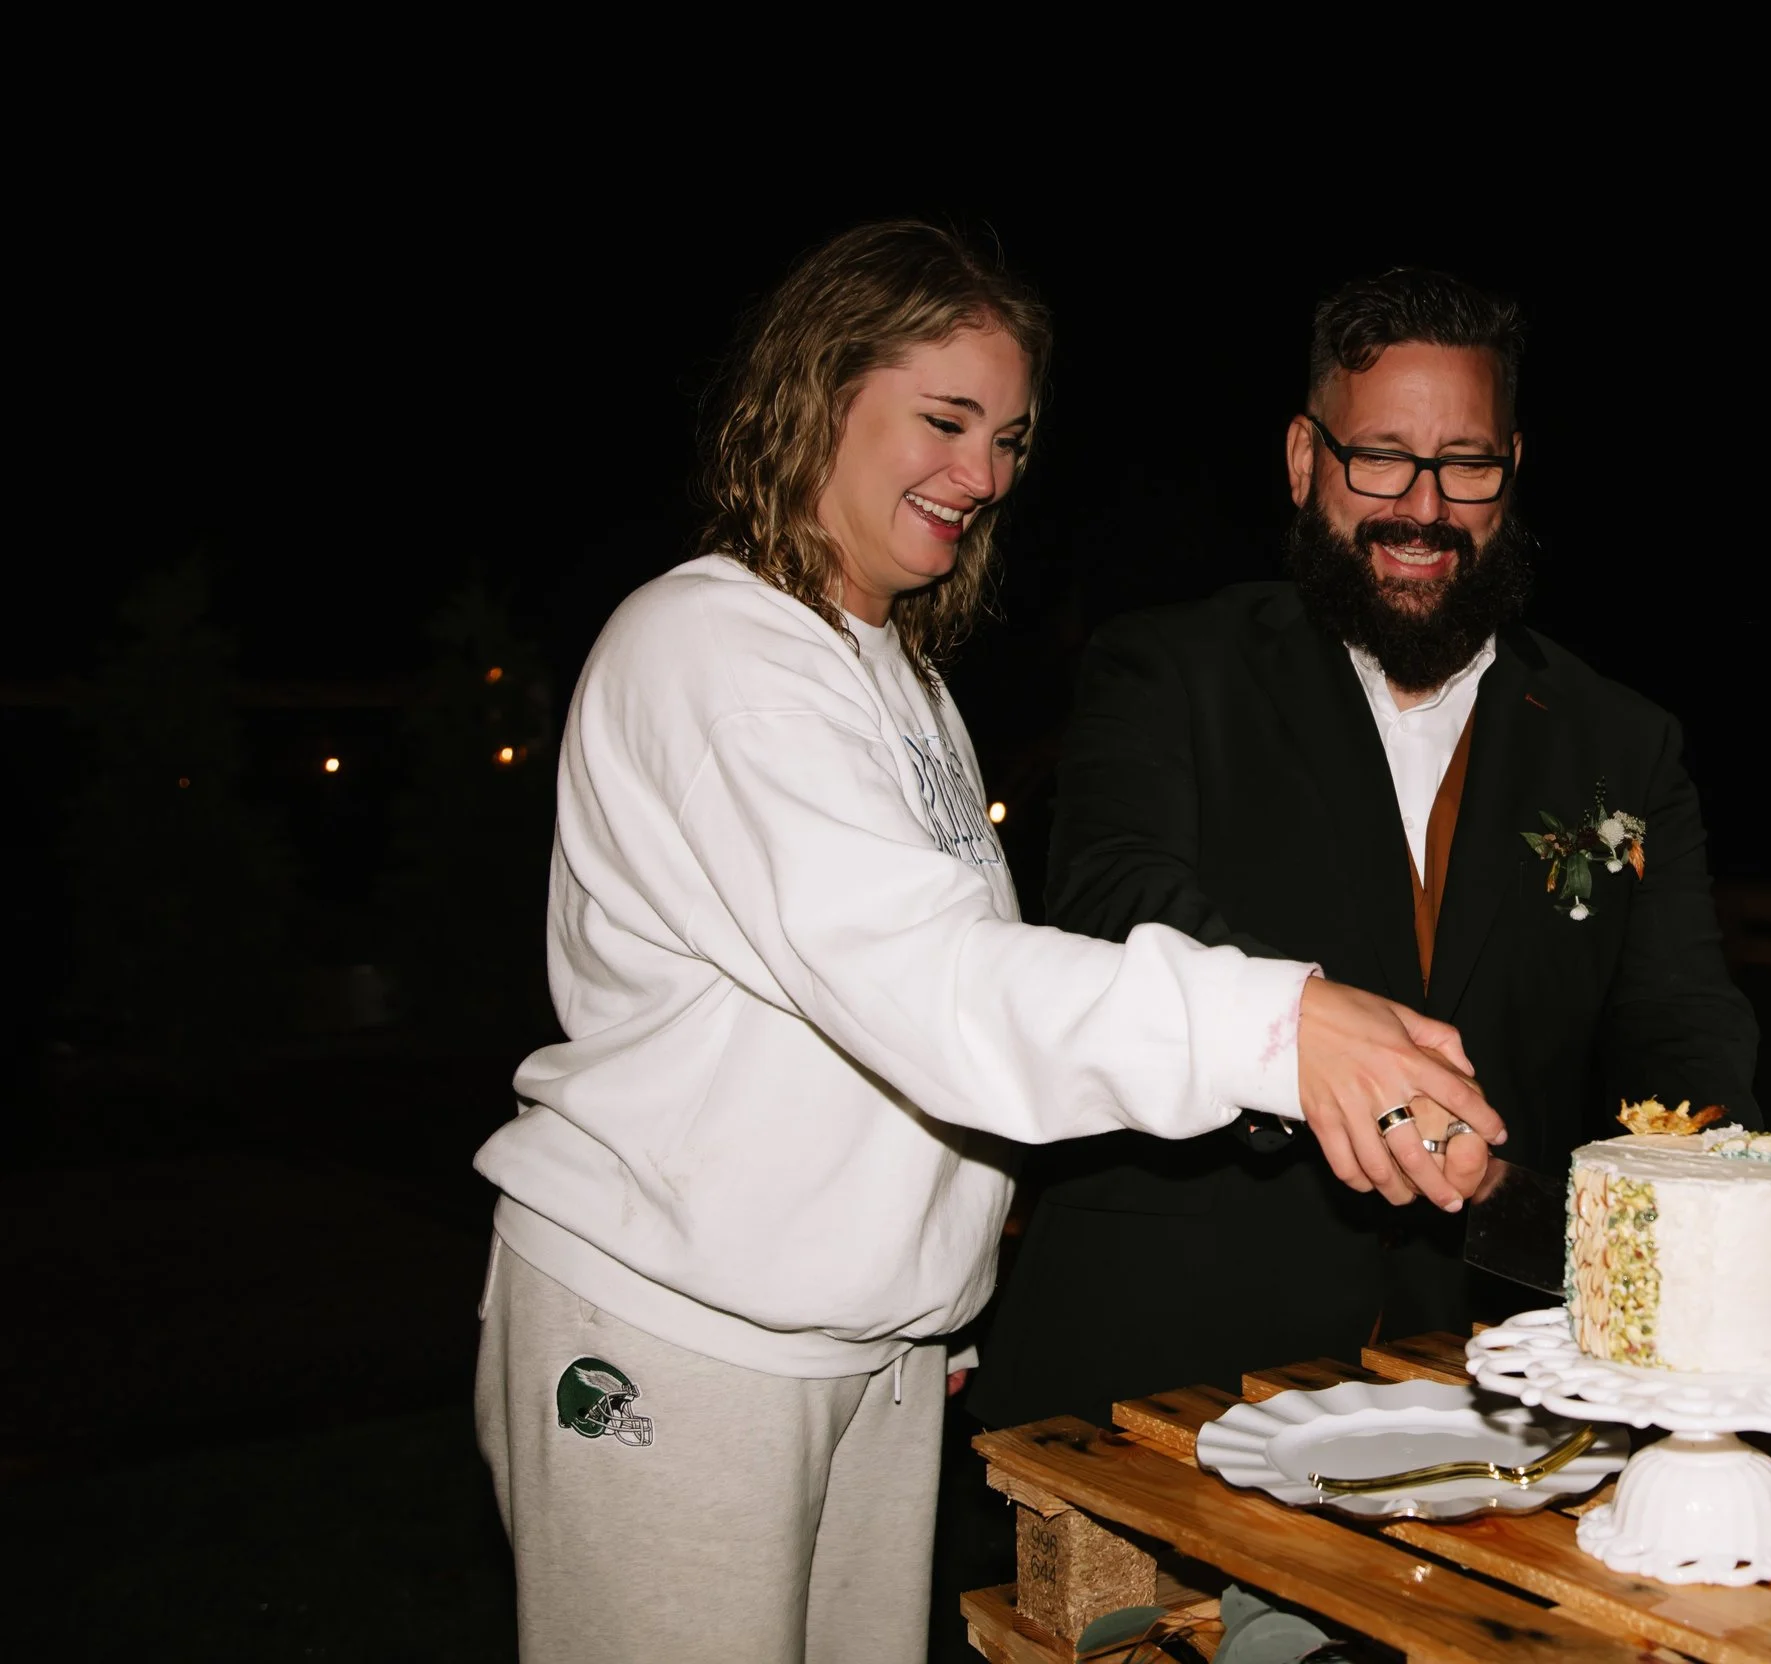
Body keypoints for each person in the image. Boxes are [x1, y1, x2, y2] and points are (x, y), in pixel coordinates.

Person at [469, 223, 1503, 1664]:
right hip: (684, 1339)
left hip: (868, 1353)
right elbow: (929, 989)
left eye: (1009, 437)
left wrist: (939, 1300)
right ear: (819, 392)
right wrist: (1283, 1026)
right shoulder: (715, 652)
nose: (986, 472)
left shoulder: (895, 678)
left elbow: (939, 1034)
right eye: (943, 420)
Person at [970, 267, 1759, 1432]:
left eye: (1467, 462)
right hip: (1163, 1369)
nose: (1424, 506)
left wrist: (1716, 1226)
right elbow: (1113, 893)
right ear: (1304, 460)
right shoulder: (1167, 672)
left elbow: (1680, 1021)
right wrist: (1312, 1045)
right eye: (1380, 455)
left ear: (1513, 469)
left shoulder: (1622, 745)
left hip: (1489, 1384)